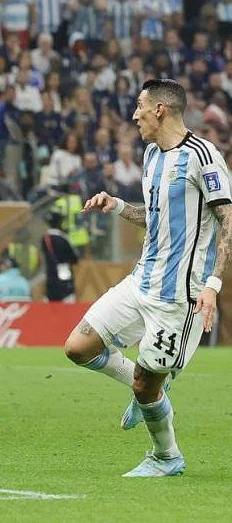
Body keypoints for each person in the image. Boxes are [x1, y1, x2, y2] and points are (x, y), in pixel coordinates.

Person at [66, 79, 232, 477]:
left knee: (145, 387)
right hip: (141, 280)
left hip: (179, 295)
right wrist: (118, 205)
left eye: (140, 106)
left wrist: (213, 284)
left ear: (160, 109)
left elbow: (227, 220)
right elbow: (155, 216)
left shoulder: (203, 156)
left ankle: (166, 456)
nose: (134, 114)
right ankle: (154, 388)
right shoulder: (151, 155)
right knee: (77, 347)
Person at [41, 211, 79, 302]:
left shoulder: (44, 239)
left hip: (51, 276)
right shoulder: (64, 239)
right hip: (65, 276)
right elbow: (74, 259)